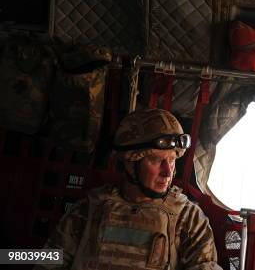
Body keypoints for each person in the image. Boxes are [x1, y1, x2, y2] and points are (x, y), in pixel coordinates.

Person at [36, 108, 222, 270]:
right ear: (130, 162)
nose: (168, 173)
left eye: (172, 160)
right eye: (156, 160)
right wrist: (9, 256)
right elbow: (48, 260)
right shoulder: (88, 210)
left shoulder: (188, 218)